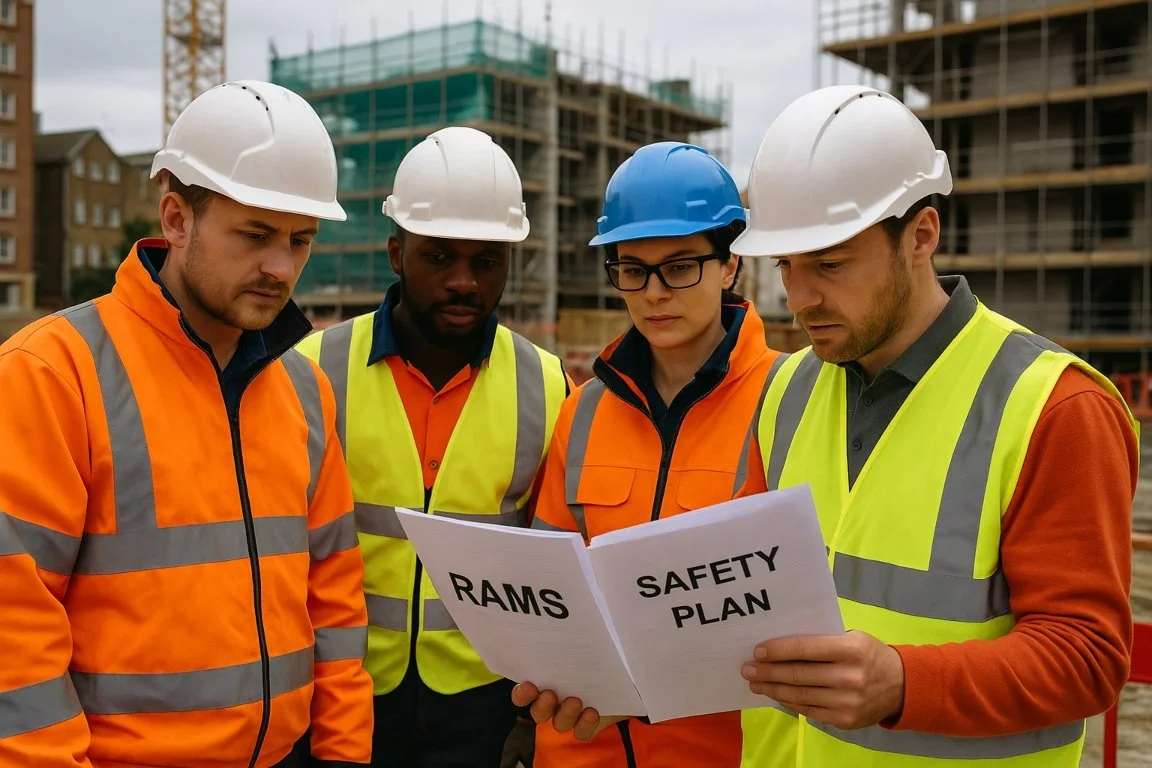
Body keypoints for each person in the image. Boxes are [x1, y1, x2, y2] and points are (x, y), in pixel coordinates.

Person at [729, 84, 1140, 767]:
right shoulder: (785, 388)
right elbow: (743, 596)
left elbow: (1089, 658)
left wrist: (903, 685)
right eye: (787, 267)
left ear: (921, 235)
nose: (800, 299)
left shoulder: (1054, 407)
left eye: (829, 264)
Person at [0, 79, 374, 767]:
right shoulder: (52, 374)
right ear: (176, 219)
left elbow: (335, 601)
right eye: (255, 235)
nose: (281, 267)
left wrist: (345, 755)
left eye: (301, 240)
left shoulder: (302, 385)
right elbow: (12, 633)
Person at [294, 125, 571, 768]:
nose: (464, 283)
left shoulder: (549, 384)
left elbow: (552, 565)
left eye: (486, 261)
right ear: (398, 253)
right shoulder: (312, 370)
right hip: (341, 692)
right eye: (439, 257)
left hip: (483, 706)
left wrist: (530, 718)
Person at [508, 141, 787, 767]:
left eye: (680, 266)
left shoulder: (788, 403)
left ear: (728, 265)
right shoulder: (581, 412)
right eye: (633, 269)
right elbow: (552, 591)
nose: (655, 292)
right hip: (579, 750)